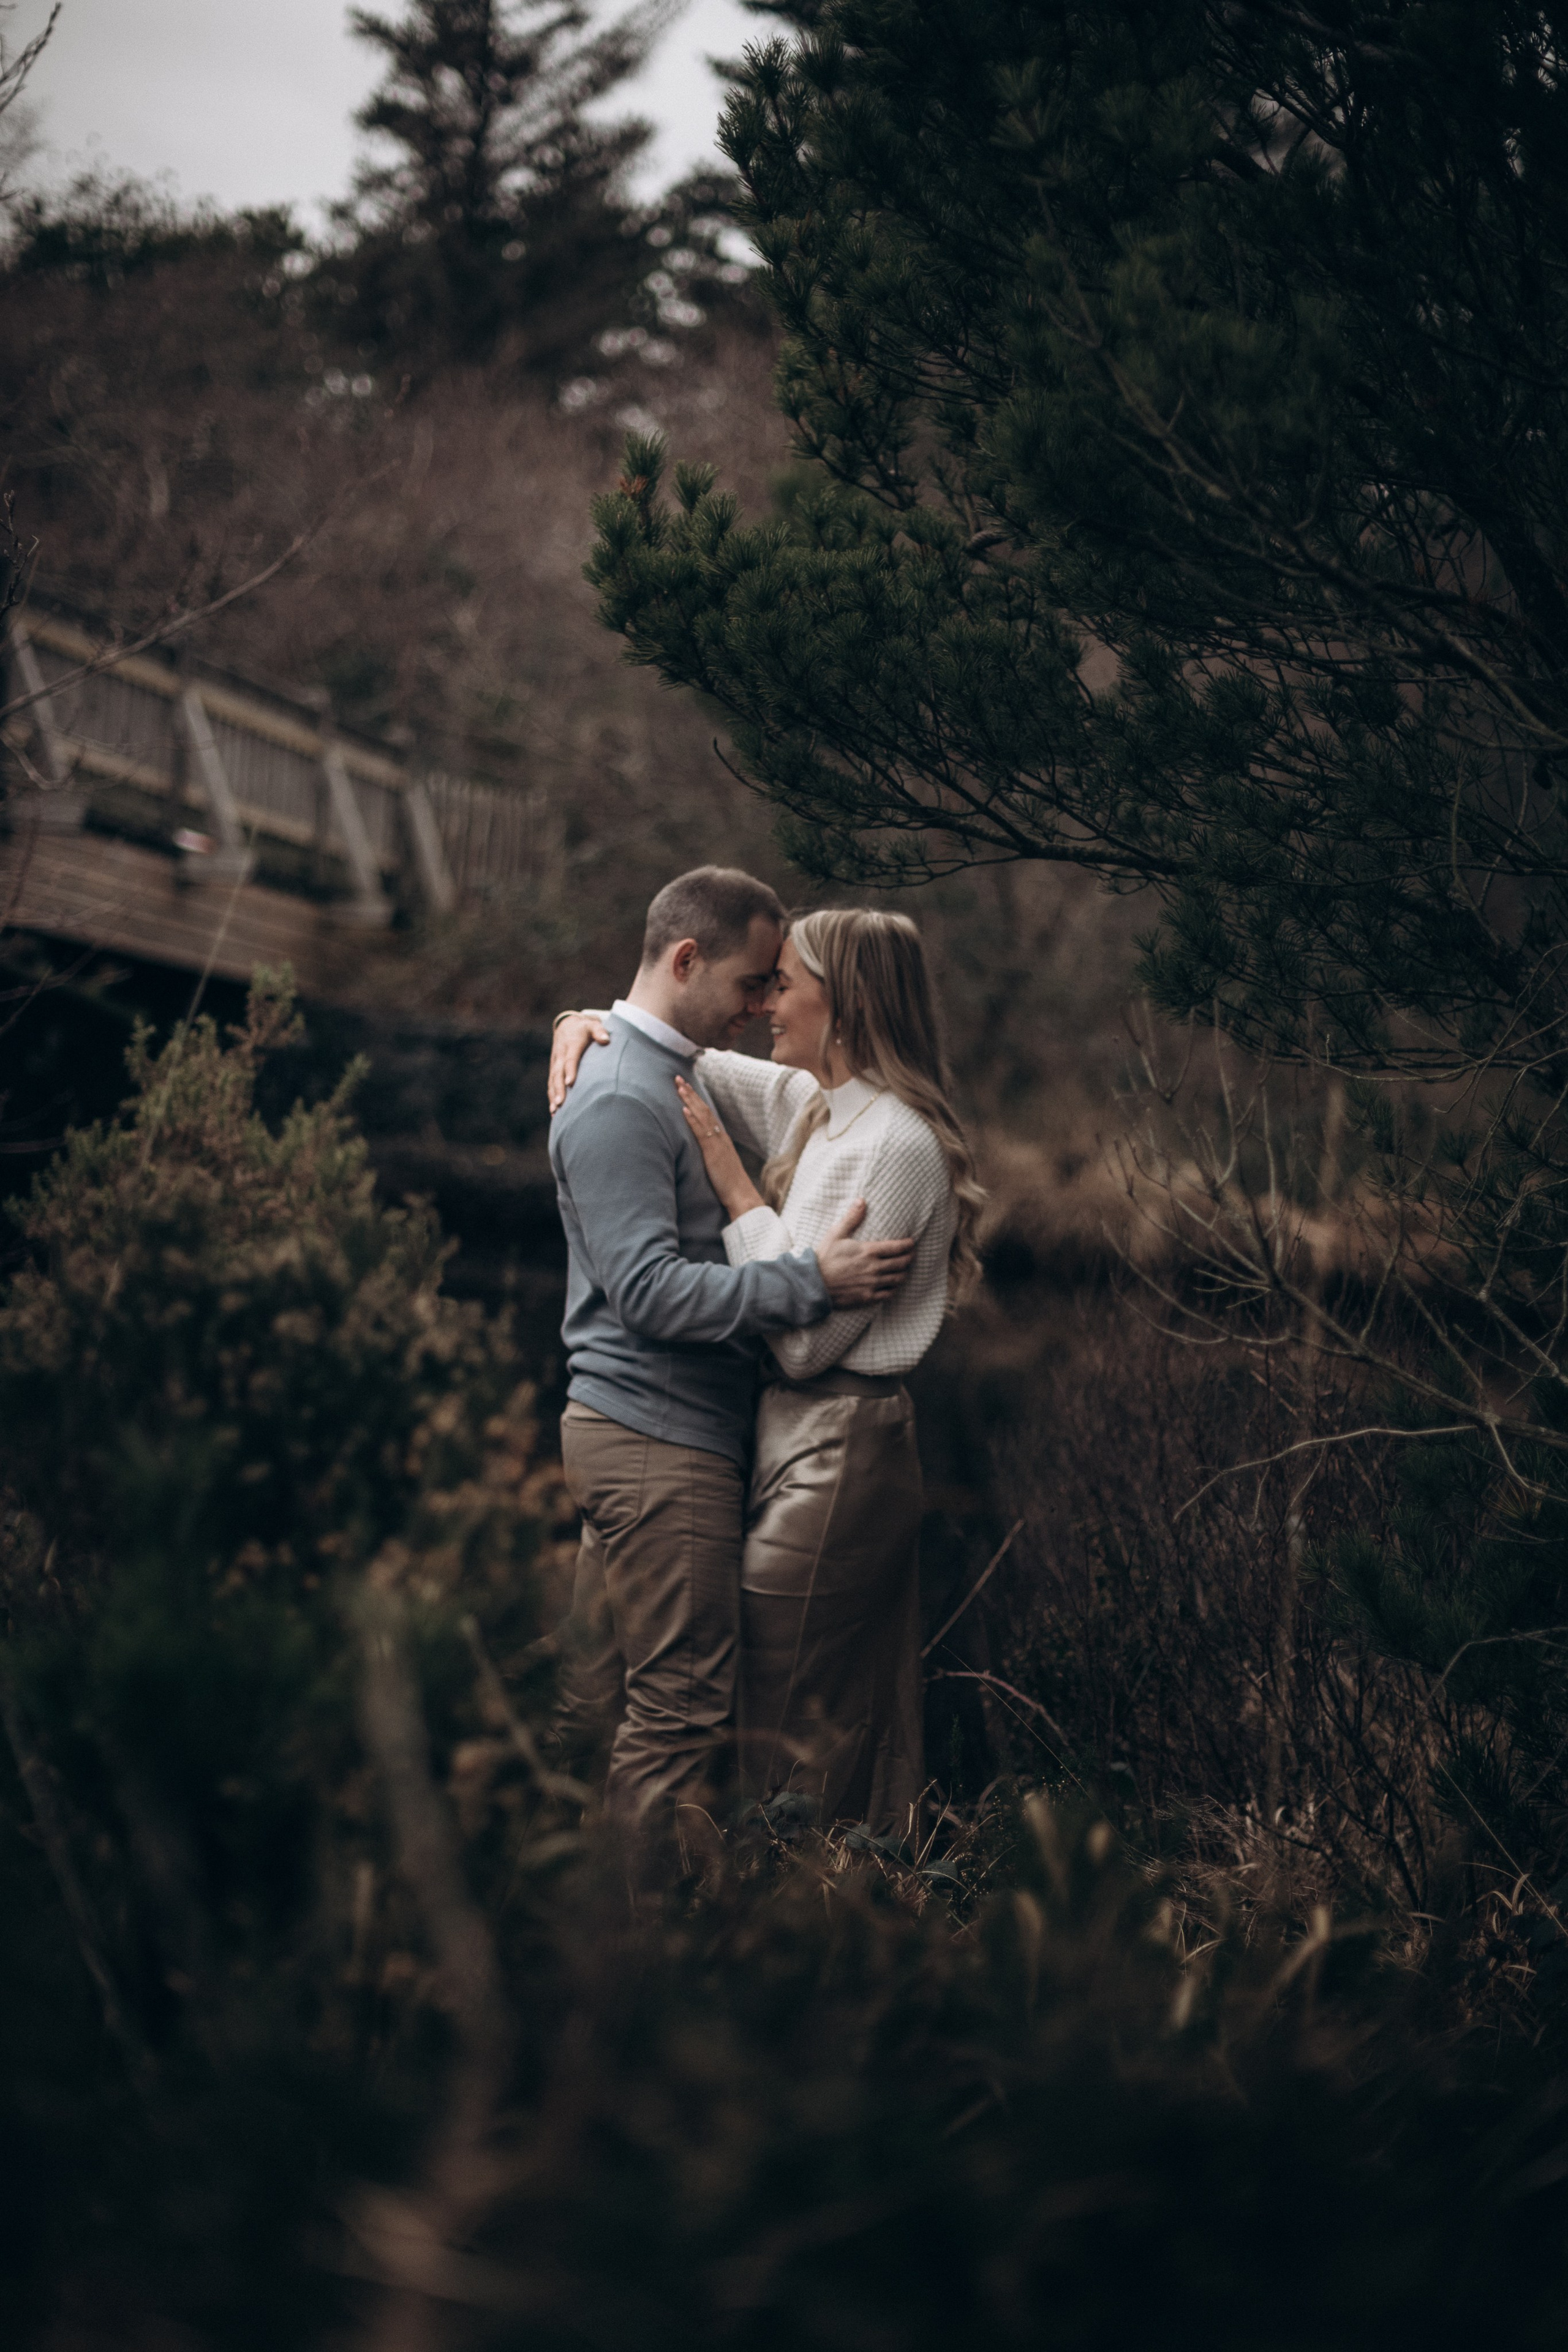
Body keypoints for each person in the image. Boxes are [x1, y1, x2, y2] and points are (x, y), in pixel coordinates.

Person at [551, 907, 984, 1841]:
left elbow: (799, 1347)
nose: (763, 1006)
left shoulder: (894, 1146)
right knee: (745, 1693)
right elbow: (676, 1050)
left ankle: (780, 1894)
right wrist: (581, 1022)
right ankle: (738, 1889)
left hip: (840, 1443)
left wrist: (738, 1189)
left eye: (782, 985)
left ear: (847, 1003)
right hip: (785, 1432)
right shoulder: (815, 1105)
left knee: (776, 1708)